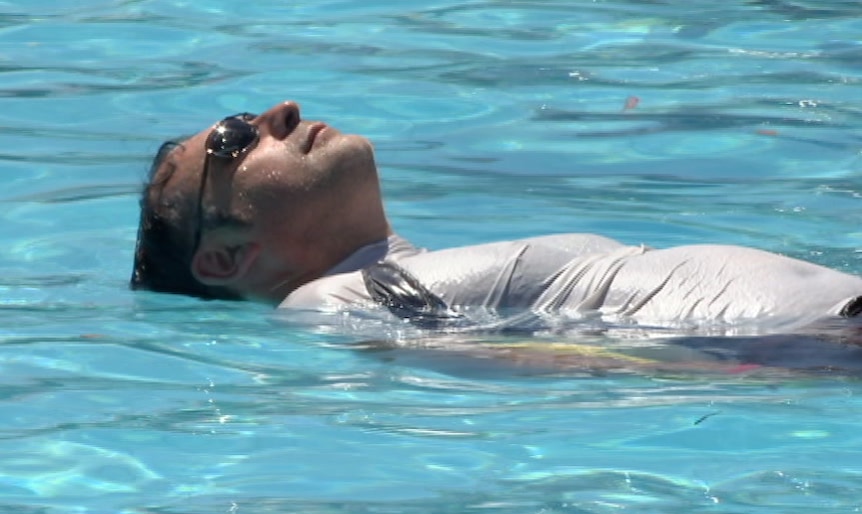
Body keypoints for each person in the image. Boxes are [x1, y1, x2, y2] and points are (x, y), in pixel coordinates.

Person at [131, 100, 862, 368]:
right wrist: (799, 357)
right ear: (225, 256)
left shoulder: (403, 277)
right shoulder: (323, 307)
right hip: (825, 339)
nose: (280, 112)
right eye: (233, 140)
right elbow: (544, 358)